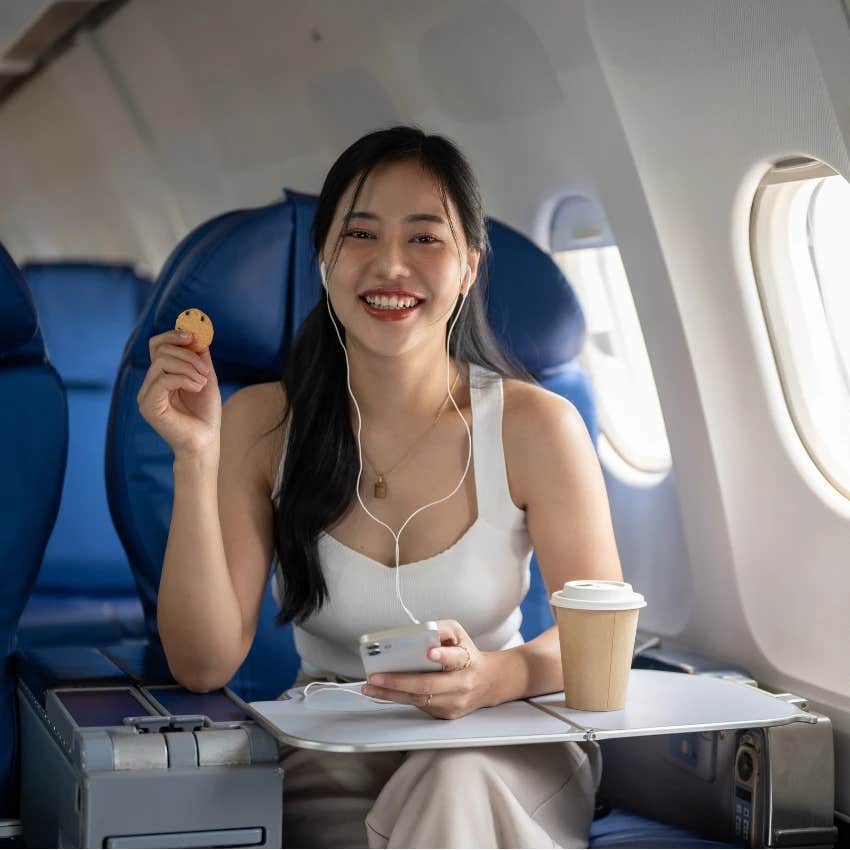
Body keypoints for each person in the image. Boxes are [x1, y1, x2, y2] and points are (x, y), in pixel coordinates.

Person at [138, 125, 624, 848]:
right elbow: (203, 663)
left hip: (504, 746)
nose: (391, 266)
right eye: (361, 236)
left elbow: (598, 648)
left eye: (425, 239)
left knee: (457, 786)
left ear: (468, 267)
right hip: (332, 753)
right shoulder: (261, 422)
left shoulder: (535, 427)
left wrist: (492, 677)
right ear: (324, 261)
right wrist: (194, 456)